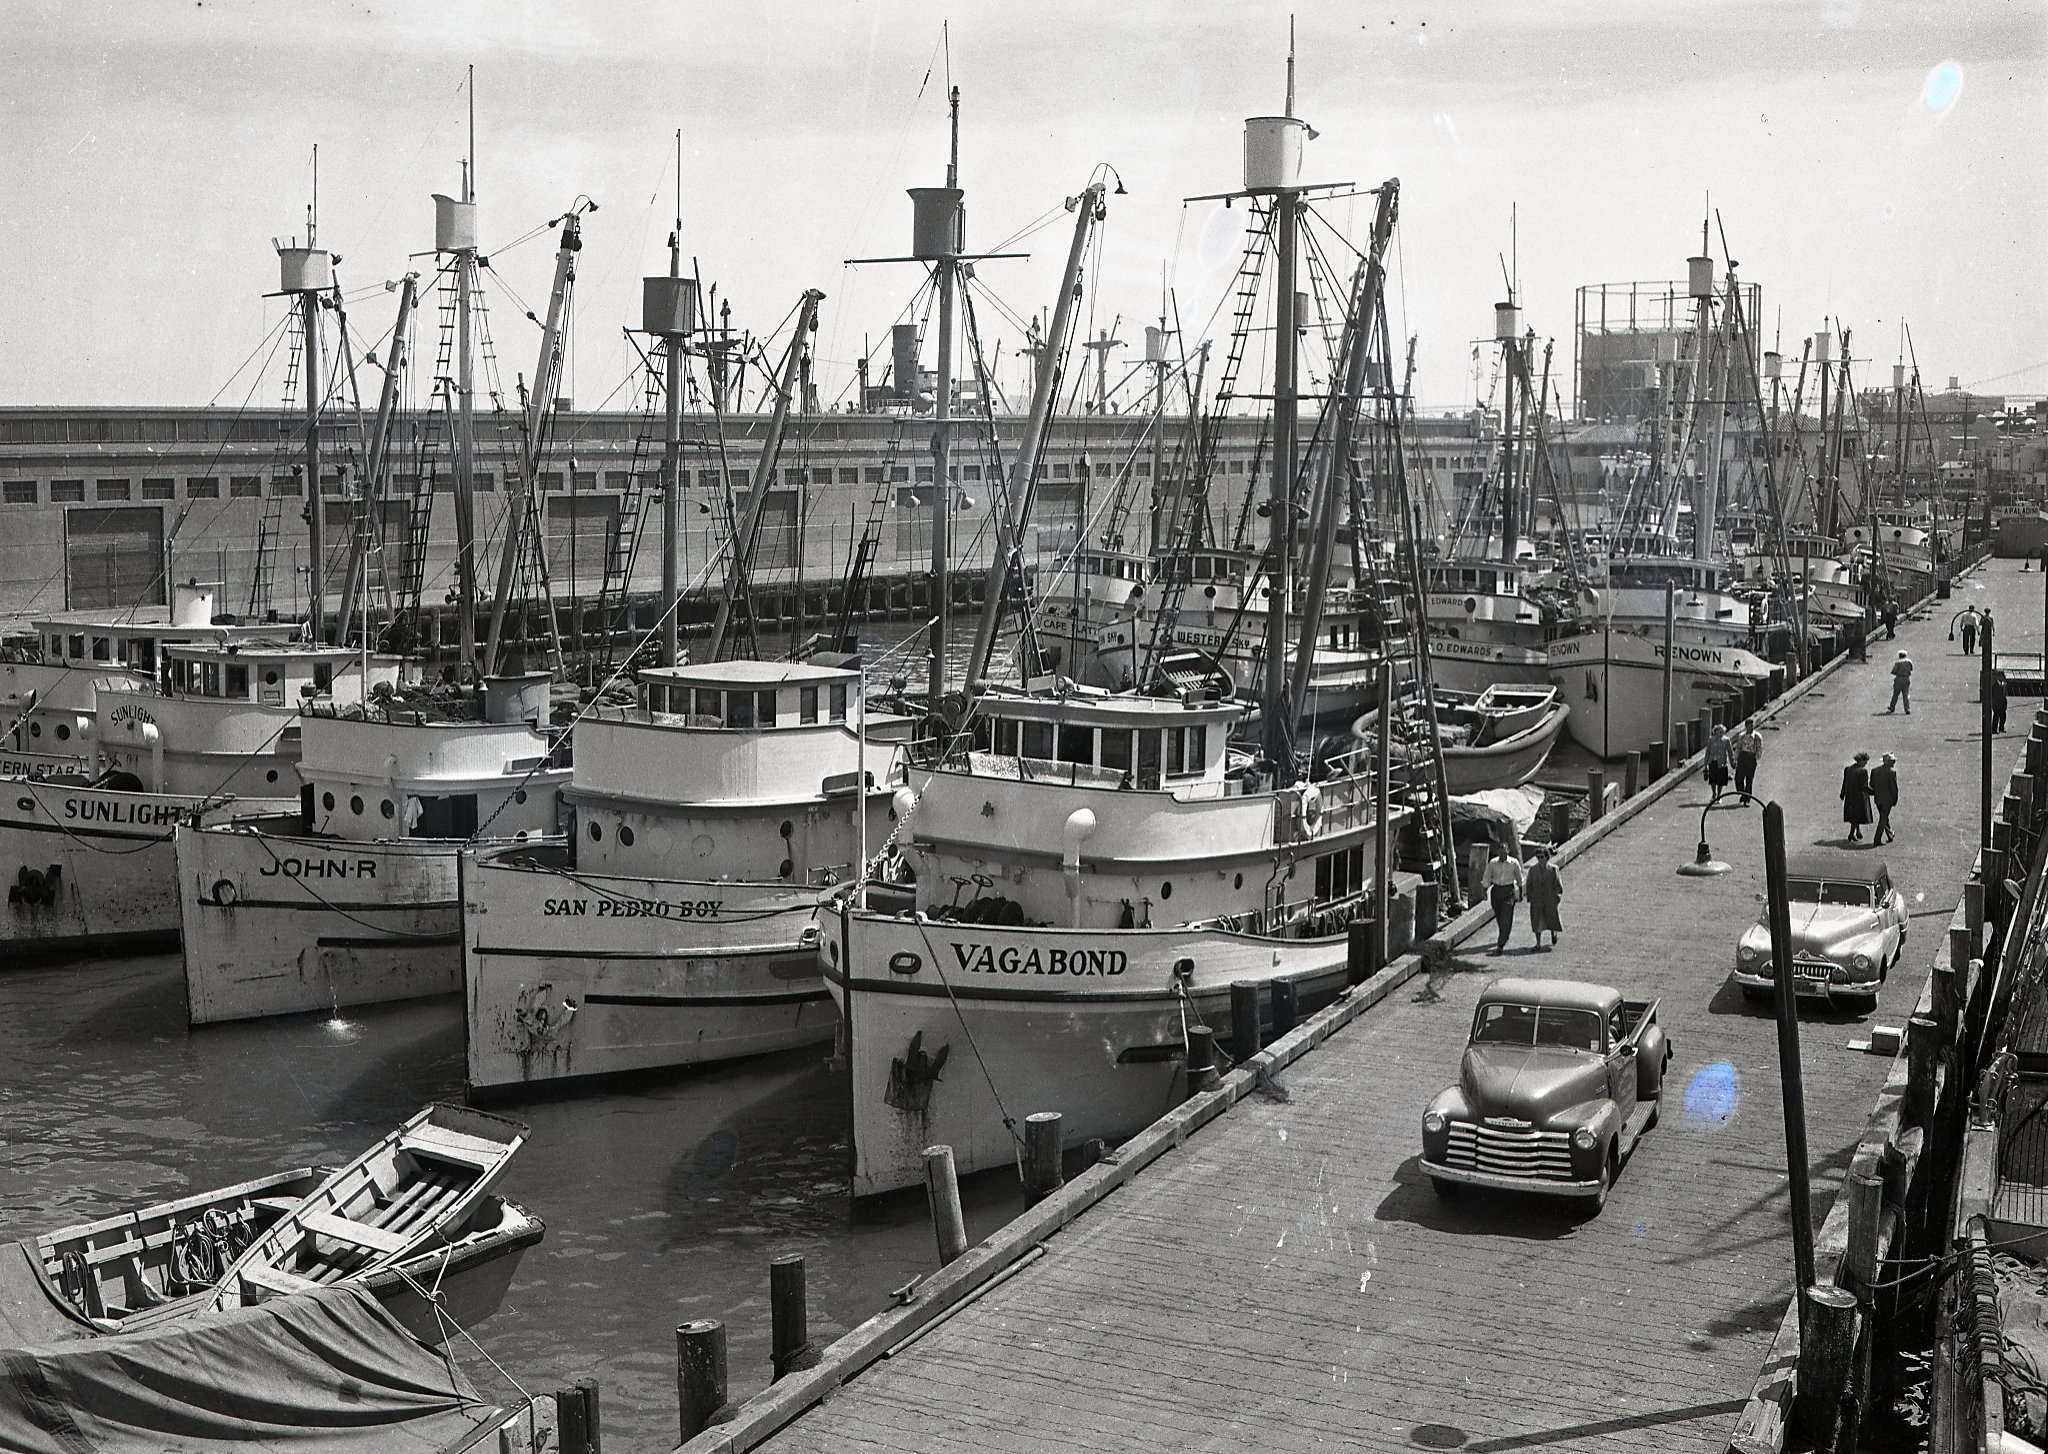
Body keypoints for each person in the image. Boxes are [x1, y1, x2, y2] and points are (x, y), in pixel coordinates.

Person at [1482, 842, 1524, 955]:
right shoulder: (1492, 863)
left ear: (1508, 851)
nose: (1502, 854)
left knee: (1506, 916)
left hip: (1508, 891)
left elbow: (1519, 878)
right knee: (1500, 917)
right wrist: (1485, 889)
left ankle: (1500, 944)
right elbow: (1487, 876)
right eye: (1500, 852)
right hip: (1496, 891)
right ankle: (1504, 935)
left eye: (1504, 852)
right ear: (1497, 852)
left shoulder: (1514, 863)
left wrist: (1520, 892)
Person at [1524, 847, 1564, 951]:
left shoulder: (1553, 869)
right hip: (1537, 899)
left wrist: (1557, 898)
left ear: (1547, 857)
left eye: (1542, 857)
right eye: (1538, 857)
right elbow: (1529, 884)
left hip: (1549, 898)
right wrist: (1530, 897)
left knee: (1551, 918)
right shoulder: (1533, 870)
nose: (1540, 859)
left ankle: (1553, 933)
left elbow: (1558, 885)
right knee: (1537, 921)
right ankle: (1538, 943)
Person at [1841, 751, 1874, 843]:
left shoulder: (1848, 769)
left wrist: (1842, 794)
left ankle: (1857, 832)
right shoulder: (1863, 771)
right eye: (1866, 761)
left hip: (1850, 796)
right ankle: (1851, 834)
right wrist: (1874, 792)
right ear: (1861, 760)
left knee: (1854, 816)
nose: (1866, 763)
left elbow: (1845, 783)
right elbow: (1864, 786)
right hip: (1860, 797)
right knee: (1856, 817)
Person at [1870, 752, 1900, 846]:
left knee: (1884, 818)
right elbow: (1894, 788)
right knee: (1883, 819)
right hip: (1888, 800)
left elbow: (1871, 785)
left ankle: (1890, 835)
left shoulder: (1875, 771)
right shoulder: (1892, 773)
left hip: (1878, 799)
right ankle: (1877, 839)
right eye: (1892, 761)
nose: (1894, 763)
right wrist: (1895, 799)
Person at [1731, 720, 1764, 799]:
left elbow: (1759, 748)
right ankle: (1743, 793)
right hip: (1742, 756)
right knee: (1738, 778)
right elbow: (1738, 747)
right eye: (1749, 726)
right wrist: (1735, 758)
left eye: (1752, 726)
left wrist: (1756, 757)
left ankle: (1747, 798)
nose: (1751, 728)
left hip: (1751, 757)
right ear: (1746, 727)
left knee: (1749, 779)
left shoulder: (1757, 736)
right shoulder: (1741, 736)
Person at [1703, 724, 1732, 800]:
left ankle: (1719, 795)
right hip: (1713, 762)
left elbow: (1730, 751)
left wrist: (1732, 762)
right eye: (1720, 732)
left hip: (1722, 763)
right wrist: (1705, 763)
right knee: (1712, 779)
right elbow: (1708, 752)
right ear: (1715, 732)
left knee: (1721, 780)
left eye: (1723, 732)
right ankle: (1714, 793)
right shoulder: (1711, 740)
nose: (1721, 733)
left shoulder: (1726, 740)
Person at [1888, 650, 1913, 714]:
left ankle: (1892, 707)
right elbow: (1911, 669)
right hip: (1907, 678)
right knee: (1906, 694)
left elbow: (1893, 671)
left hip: (1899, 678)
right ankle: (1907, 709)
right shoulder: (1909, 662)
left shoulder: (1898, 663)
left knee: (1895, 694)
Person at [1990, 669, 2010, 735]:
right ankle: (1994, 729)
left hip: (2002, 702)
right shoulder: (1994, 685)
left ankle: (2001, 727)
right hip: (1996, 703)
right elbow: (1992, 695)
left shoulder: (2004, 685)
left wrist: (2005, 702)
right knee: (1996, 716)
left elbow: (2004, 694)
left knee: (2003, 716)